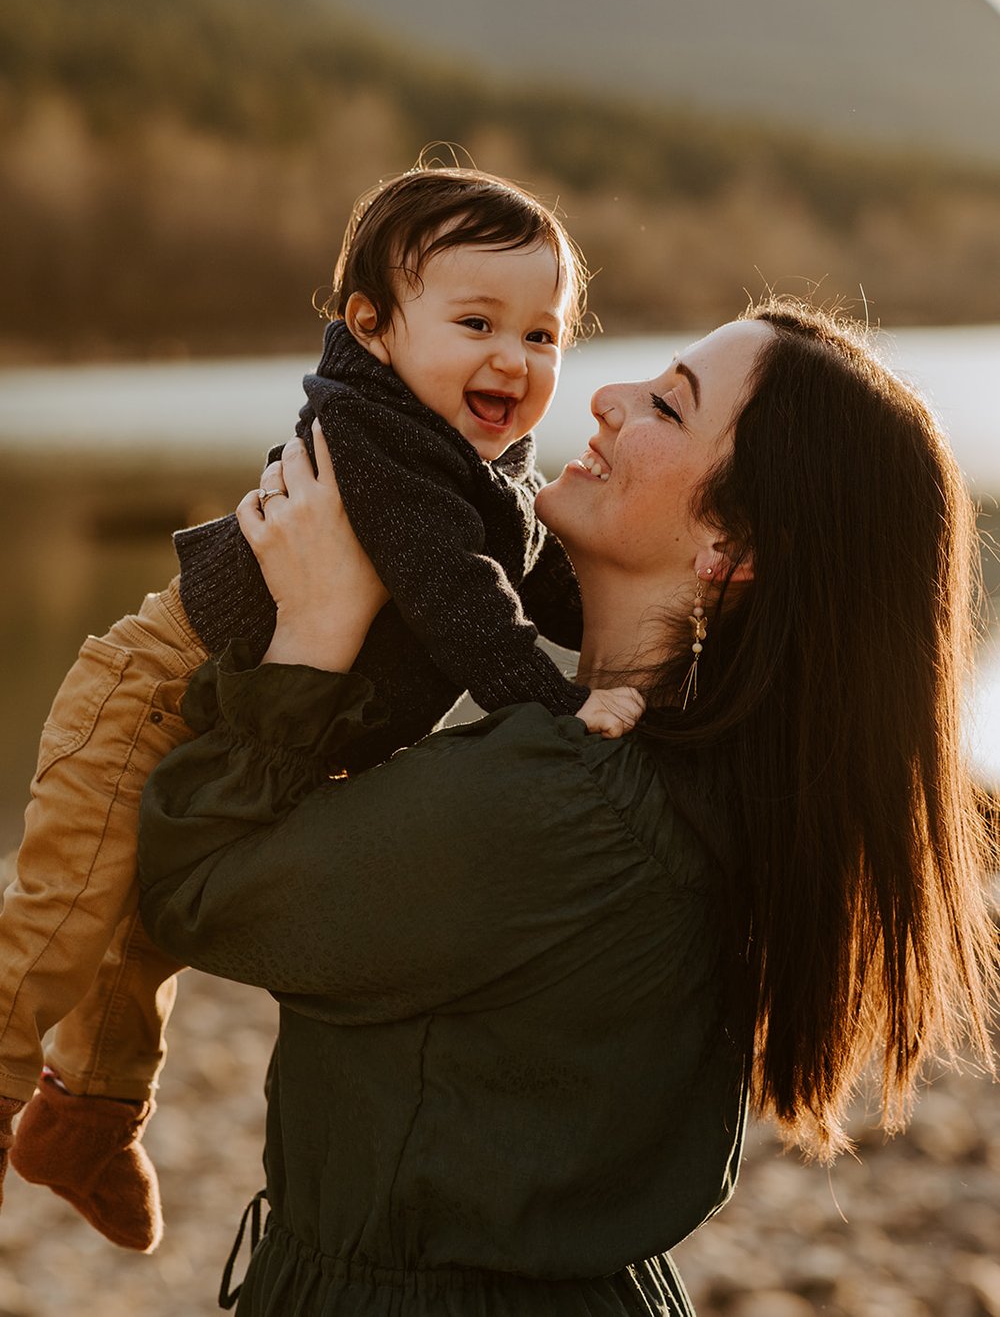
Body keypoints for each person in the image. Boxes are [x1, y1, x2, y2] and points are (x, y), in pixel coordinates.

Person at [136, 300, 996, 1315]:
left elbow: (195, 889)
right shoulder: (706, 775)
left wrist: (314, 635)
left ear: (732, 542)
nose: (603, 396)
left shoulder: (567, 805)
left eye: (666, 409)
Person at [0, 165, 643, 1254]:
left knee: (140, 939)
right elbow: (465, 608)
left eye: (543, 336)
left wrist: (647, 632)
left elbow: (539, 581)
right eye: (477, 321)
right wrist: (560, 709)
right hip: (150, 693)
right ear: (374, 328)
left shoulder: (481, 462)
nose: (514, 359)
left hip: (236, 712)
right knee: (66, 924)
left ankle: (85, 1125)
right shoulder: (374, 442)